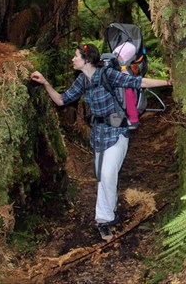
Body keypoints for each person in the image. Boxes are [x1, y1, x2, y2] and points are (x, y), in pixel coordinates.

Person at [30, 43, 171, 241]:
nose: (73, 59)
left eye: (75, 56)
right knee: (102, 175)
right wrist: (45, 83)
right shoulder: (82, 81)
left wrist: (166, 82)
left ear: (86, 60)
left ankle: (103, 221)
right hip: (98, 134)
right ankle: (110, 208)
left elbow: (138, 82)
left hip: (117, 132)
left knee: (106, 174)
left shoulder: (108, 75)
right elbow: (61, 101)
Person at [112, 41, 140, 129]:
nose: (116, 58)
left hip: (126, 84)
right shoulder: (116, 67)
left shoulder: (127, 71)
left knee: (129, 98)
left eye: (119, 56)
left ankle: (133, 120)